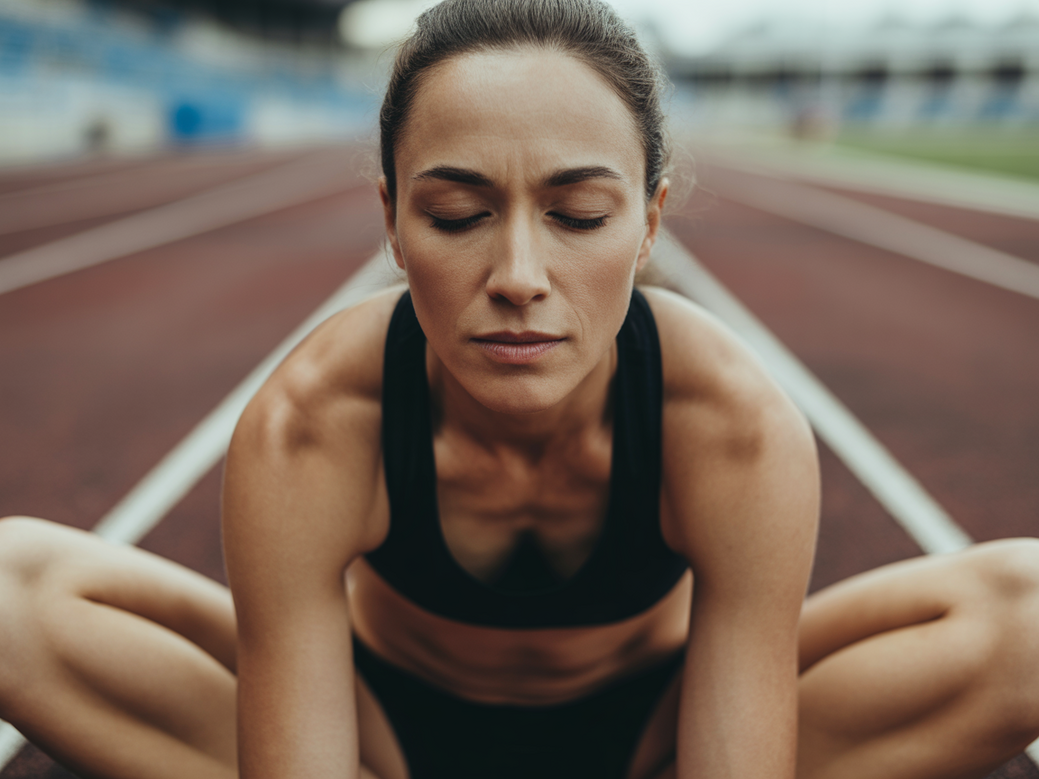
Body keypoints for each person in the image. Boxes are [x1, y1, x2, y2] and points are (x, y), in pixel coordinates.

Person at [2, 1, 1039, 777]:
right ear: (391, 222)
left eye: (579, 214)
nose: (518, 277)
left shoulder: (728, 422)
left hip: (655, 737)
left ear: (650, 220)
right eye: (456, 214)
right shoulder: (317, 420)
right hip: (383, 734)